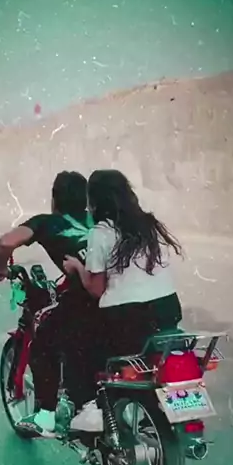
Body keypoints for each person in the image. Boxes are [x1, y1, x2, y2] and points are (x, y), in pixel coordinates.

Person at [63, 169, 183, 432]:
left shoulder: (101, 232)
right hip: (167, 308)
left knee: (81, 345)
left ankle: (90, 409)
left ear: (95, 201)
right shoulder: (149, 225)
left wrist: (78, 268)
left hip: (128, 317)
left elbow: (96, 289)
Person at [0, 171, 99, 437]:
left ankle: (46, 416)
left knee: (42, 345)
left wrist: (0, 268)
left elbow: (5, 242)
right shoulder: (100, 219)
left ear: (54, 199)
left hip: (87, 299)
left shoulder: (47, 222)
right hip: (118, 296)